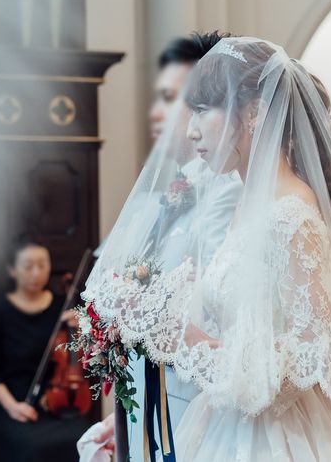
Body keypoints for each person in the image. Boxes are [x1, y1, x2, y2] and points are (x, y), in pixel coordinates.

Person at [84, 37, 331, 460]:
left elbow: (314, 354)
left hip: (282, 436)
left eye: (202, 111)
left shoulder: (290, 213)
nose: (191, 130)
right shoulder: (248, 204)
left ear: (254, 113)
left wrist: (194, 343)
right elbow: (247, 324)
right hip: (228, 422)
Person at [91, 31, 242, 458]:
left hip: (195, 411)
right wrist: (129, 414)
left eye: (173, 98)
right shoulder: (174, 189)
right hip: (153, 406)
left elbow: (223, 312)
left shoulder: (229, 190)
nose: (156, 112)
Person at [0, 237, 89, 462]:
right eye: (28, 267)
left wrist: (81, 328)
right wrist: (13, 407)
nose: (36, 273)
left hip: (53, 401)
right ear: (12, 270)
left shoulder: (62, 307)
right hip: (9, 402)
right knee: (31, 447)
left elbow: (82, 355)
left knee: (83, 437)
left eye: (42, 265)